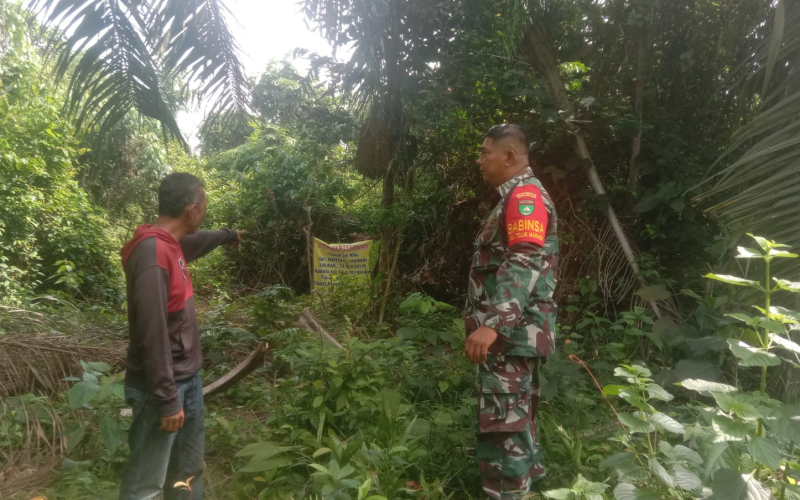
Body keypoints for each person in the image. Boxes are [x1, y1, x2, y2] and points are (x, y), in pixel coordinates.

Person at [119, 172, 243, 500]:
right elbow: (152, 331)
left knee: (187, 472)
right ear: (191, 209)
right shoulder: (152, 254)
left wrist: (229, 235)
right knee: (146, 485)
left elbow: (198, 241)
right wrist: (167, 398)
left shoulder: (171, 244)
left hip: (187, 379)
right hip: (160, 388)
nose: (204, 213)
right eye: (203, 206)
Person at [463, 124, 559, 500]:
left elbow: (523, 260)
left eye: (486, 152)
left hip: (511, 336)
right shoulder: (514, 197)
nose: (479, 159)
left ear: (509, 157)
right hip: (516, 337)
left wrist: (493, 325)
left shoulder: (525, 197)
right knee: (516, 427)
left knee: (504, 433)